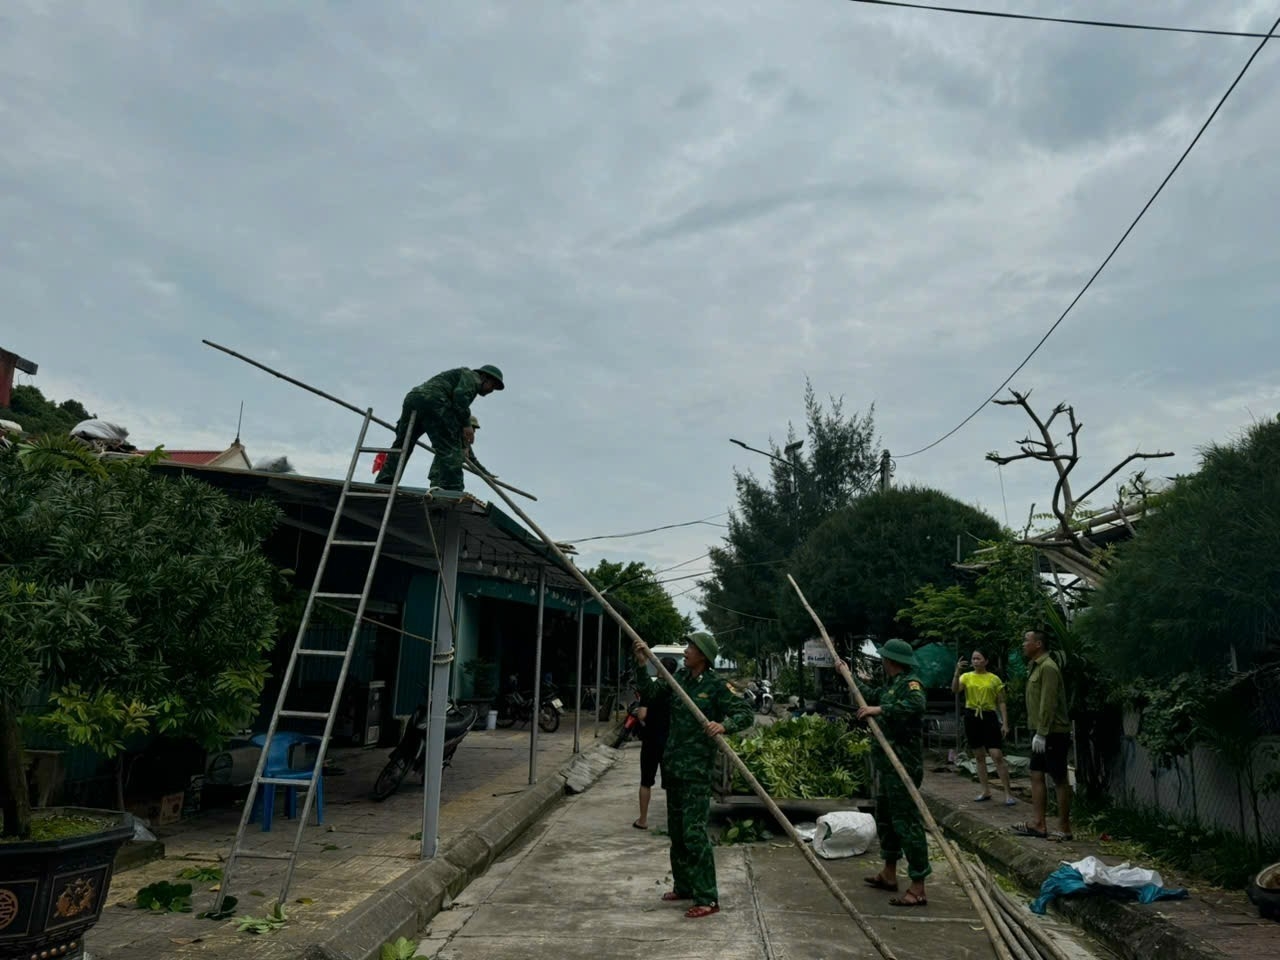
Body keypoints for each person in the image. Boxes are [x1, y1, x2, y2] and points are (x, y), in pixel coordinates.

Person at [632, 634, 753, 919]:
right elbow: (650, 694)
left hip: (696, 771)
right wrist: (641, 664)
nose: (686, 652)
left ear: (704, 655)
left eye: (691, 648)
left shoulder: (715, 687)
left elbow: (744, 713)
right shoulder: (679, 681)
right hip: (673, 767)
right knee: (677, 833)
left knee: (694, 833)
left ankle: (707, 897)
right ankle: (684, 885)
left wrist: (724, 725)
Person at [856, 638, 931, 908]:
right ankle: (889, 873)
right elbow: (870, 695)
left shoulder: (911, 684)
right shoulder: (891, 685)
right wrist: (846, 674)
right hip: (887, 767)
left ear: (892, 661)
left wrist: (881, 710)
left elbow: (916, 705)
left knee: (906, 824)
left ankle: (918, 885)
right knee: (885, 818)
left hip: (904, 766)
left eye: (885, 658)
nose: (883, 661)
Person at [374, 365, 504, 489]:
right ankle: (452, 489)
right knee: (450, 449)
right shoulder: (472, 377)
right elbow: (460, 396)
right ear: (485, 377)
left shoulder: (457, 376)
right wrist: (466, 424)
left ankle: (384, 482)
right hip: (436, 401)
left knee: (403, 444)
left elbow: (471, 457)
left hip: (413, 398)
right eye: (492, 386)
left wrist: (485, 473)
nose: (491, 391)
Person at [1014, 629, 1072, 841]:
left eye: (1026, 640)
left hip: (1053, 732)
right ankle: (1039, 823)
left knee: (1058, 778)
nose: (1023, 644)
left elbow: (1049, 702)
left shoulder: (1048, 667)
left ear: (1038, 644)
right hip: (1039, 731)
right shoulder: (1035, 667)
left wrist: (1042, 732)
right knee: (1036, 773)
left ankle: (1064, 827)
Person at [952, 648, 1015, 806]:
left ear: (986, 661)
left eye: (979, 658)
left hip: (988, 715)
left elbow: (1001, 701)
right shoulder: (966, 676)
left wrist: (1005, 723)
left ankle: (1008, 792)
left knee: (996, 755)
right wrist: (957, 672)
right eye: (973, 659)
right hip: (971, 715)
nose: (975, 661)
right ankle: (985, 790)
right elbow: (955, 690)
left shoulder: (994, 679)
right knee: (979, 756)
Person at [632, 655, 679, 830]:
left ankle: (643, 820)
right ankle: (672, 823)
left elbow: (642, 715)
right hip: (670, 742)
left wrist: (642, 718)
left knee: (646, 781)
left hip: (651, 741)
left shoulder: (650, 690)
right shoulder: (676, 690)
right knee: (671, 786)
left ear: (659, 669)